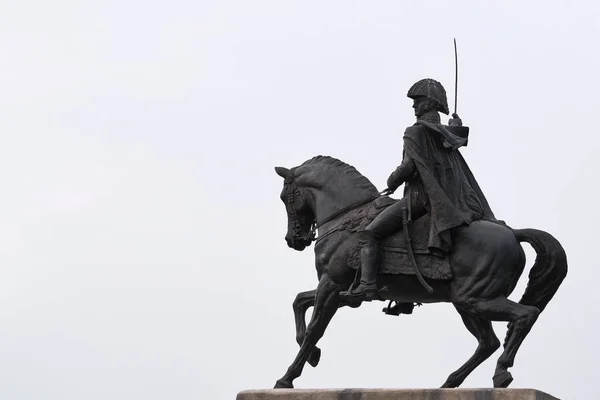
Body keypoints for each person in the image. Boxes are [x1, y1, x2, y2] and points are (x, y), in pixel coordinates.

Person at [340, 78, 496, 304]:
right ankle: (404, 297)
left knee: (369, 233)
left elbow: (409, 167)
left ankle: (367, 286)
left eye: (419, 101)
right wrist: (455, 126)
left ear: (431, 103)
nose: (414, 106)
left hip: (420, 198)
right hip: (447, 199)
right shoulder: (445, 134)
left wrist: (392, 180)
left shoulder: (415, 132)